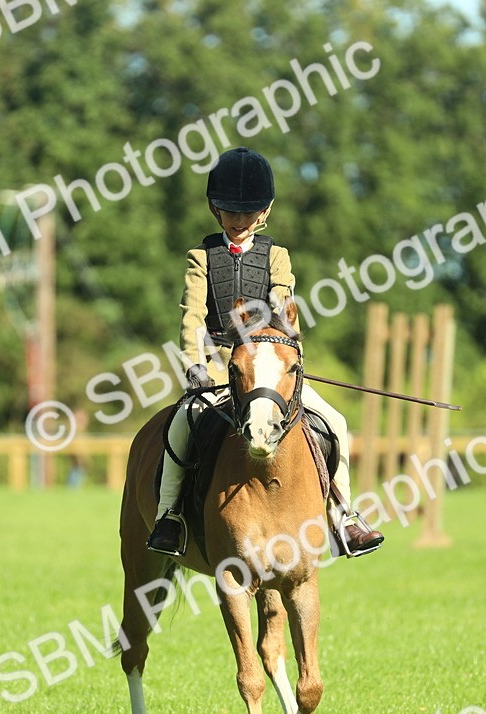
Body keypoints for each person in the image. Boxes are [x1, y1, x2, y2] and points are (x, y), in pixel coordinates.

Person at [146, 146, 384, 557]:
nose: (239, 222)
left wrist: (287, 359)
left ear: (264, 212)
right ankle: (170, 515)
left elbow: (283, 303)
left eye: (248, 213)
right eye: (230, 212)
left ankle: (344, 516)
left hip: (270, 366)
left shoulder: (277, 256)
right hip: (220, 367)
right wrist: (194, 364)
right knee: (181, 425)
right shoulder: (201, 257)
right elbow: (192, 316)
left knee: (336, 421)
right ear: (215, 209)